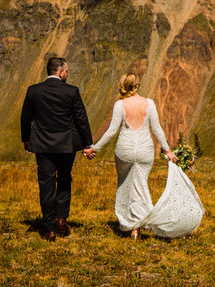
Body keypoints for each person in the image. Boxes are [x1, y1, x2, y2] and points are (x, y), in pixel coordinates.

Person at [85, 73, 202, 239]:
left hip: (124, 149)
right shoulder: (150, 104)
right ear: (137, 85)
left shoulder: (120, 105)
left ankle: (131, 224)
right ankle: (138, 224)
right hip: (144, 150)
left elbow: (112, 131)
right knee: (140, 185)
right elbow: (157, 129)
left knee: (126, 185)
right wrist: (167, 150)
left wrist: (94, 148)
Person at [20, 57, 92, 242]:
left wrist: (27, 140)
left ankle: (49, 227)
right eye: (66, 72)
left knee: (46, 184)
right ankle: (61, 219)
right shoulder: (72, 91)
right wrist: (87, 144)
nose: (67, 74)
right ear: (60, 72)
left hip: (43, 145)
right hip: (66, 145)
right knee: (65, 180)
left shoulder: (34, 91)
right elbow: (81, 119)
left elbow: (26, 117)